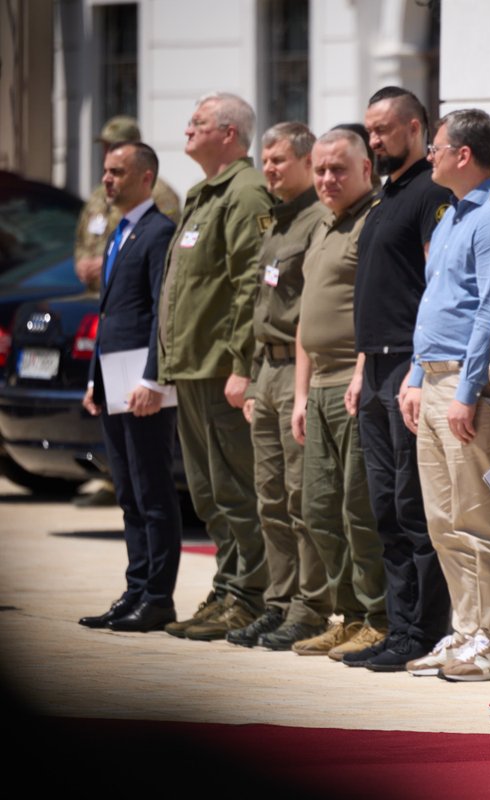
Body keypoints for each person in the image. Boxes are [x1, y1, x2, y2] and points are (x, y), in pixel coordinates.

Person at [399, 109, 490, 681]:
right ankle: (466, 632)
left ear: (463, 154)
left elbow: (489, 309)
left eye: (437, 147)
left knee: (480, 517)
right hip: (436, 377)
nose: (430, 156)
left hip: (466, 388)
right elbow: (437, 305)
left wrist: (467, 389)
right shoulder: (450, 216)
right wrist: (418, 375)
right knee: (443, 520)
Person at [342, 88, 454, 672]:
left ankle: (425, 630)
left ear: (415, 127)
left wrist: (413, 369)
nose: (375, 141)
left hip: (410, 367)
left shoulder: (431, 194)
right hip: (377, 366)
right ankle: (397, 623)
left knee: (414, 506)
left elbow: (433, 288)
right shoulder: (386, 196)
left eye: (384, 130)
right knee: (383, 504)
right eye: (371, 131)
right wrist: (363, 367)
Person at [158, 92, 272, 640]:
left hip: (219, 370)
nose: (186, 129)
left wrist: (241, 365)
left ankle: (249, 595)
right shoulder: (202, 195)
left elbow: (250, 286)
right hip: (191, 367)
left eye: (198, 122)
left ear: (229, 133)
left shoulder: (246, 194)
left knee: (234, 490)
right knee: (207, 494)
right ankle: (227, 589)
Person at [229, 122, 330, 650]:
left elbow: (310, 308)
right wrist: (248, 376)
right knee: (267, 495)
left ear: (306, 162)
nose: (268, 168)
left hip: (297, 369)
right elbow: (259, 304)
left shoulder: (317, 220)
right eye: (264, 160)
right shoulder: (277, 221)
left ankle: (309, 606)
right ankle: (277, 600)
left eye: (278, 160)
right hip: (265, 371)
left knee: (299, 496)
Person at [288, 129, 387, 661]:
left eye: (339, 170)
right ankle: (345, 615)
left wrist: (362, 371)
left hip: (353, 383)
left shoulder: (370, 222)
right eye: (321, 170)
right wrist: (300, 395)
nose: (327, 179)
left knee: (357, 508)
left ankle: (376, 616)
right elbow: (307, 317)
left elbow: (377, 307)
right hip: (318, 388)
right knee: (319, 509)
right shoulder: (323, 225)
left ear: (366, 169)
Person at [78, 141, 181, 632]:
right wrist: (93, 379)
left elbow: (161, 310)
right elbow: (109, 314)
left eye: (117, 172)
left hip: (141, 379)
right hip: (112, 375)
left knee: (152, 490)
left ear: (145, 178)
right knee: (127, 493)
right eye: (105, 172)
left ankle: (159, 597)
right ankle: (136, 588)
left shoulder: (159, 231)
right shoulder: (121, 232)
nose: (107, 180)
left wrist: (152, 377)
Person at [74, 116, 180, 292]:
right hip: (98, 296)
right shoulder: (99, 193)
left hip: (132, 295)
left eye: (115, 146)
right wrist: (82, 262)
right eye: (105, 146)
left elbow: (164, 247)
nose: (108, 151)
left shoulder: (158, 193)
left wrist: (109, 261)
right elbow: (81, 239)